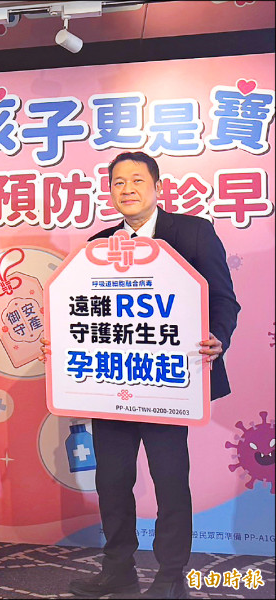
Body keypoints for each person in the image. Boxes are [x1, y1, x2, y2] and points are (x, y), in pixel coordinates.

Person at [45, 151, 239, 599]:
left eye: (136, 180)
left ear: (157, 187)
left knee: (170, 480)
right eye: (118, 182)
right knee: (112, 481)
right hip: (109, 385)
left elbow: (223, 299)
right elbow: (84, 311)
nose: (127, 189)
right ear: (110, 192)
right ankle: (118, 569)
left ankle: (171, 575)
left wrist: (218, 337)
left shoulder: (193, 232)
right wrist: (60, 344)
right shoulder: (99, 244)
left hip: (168, 383)